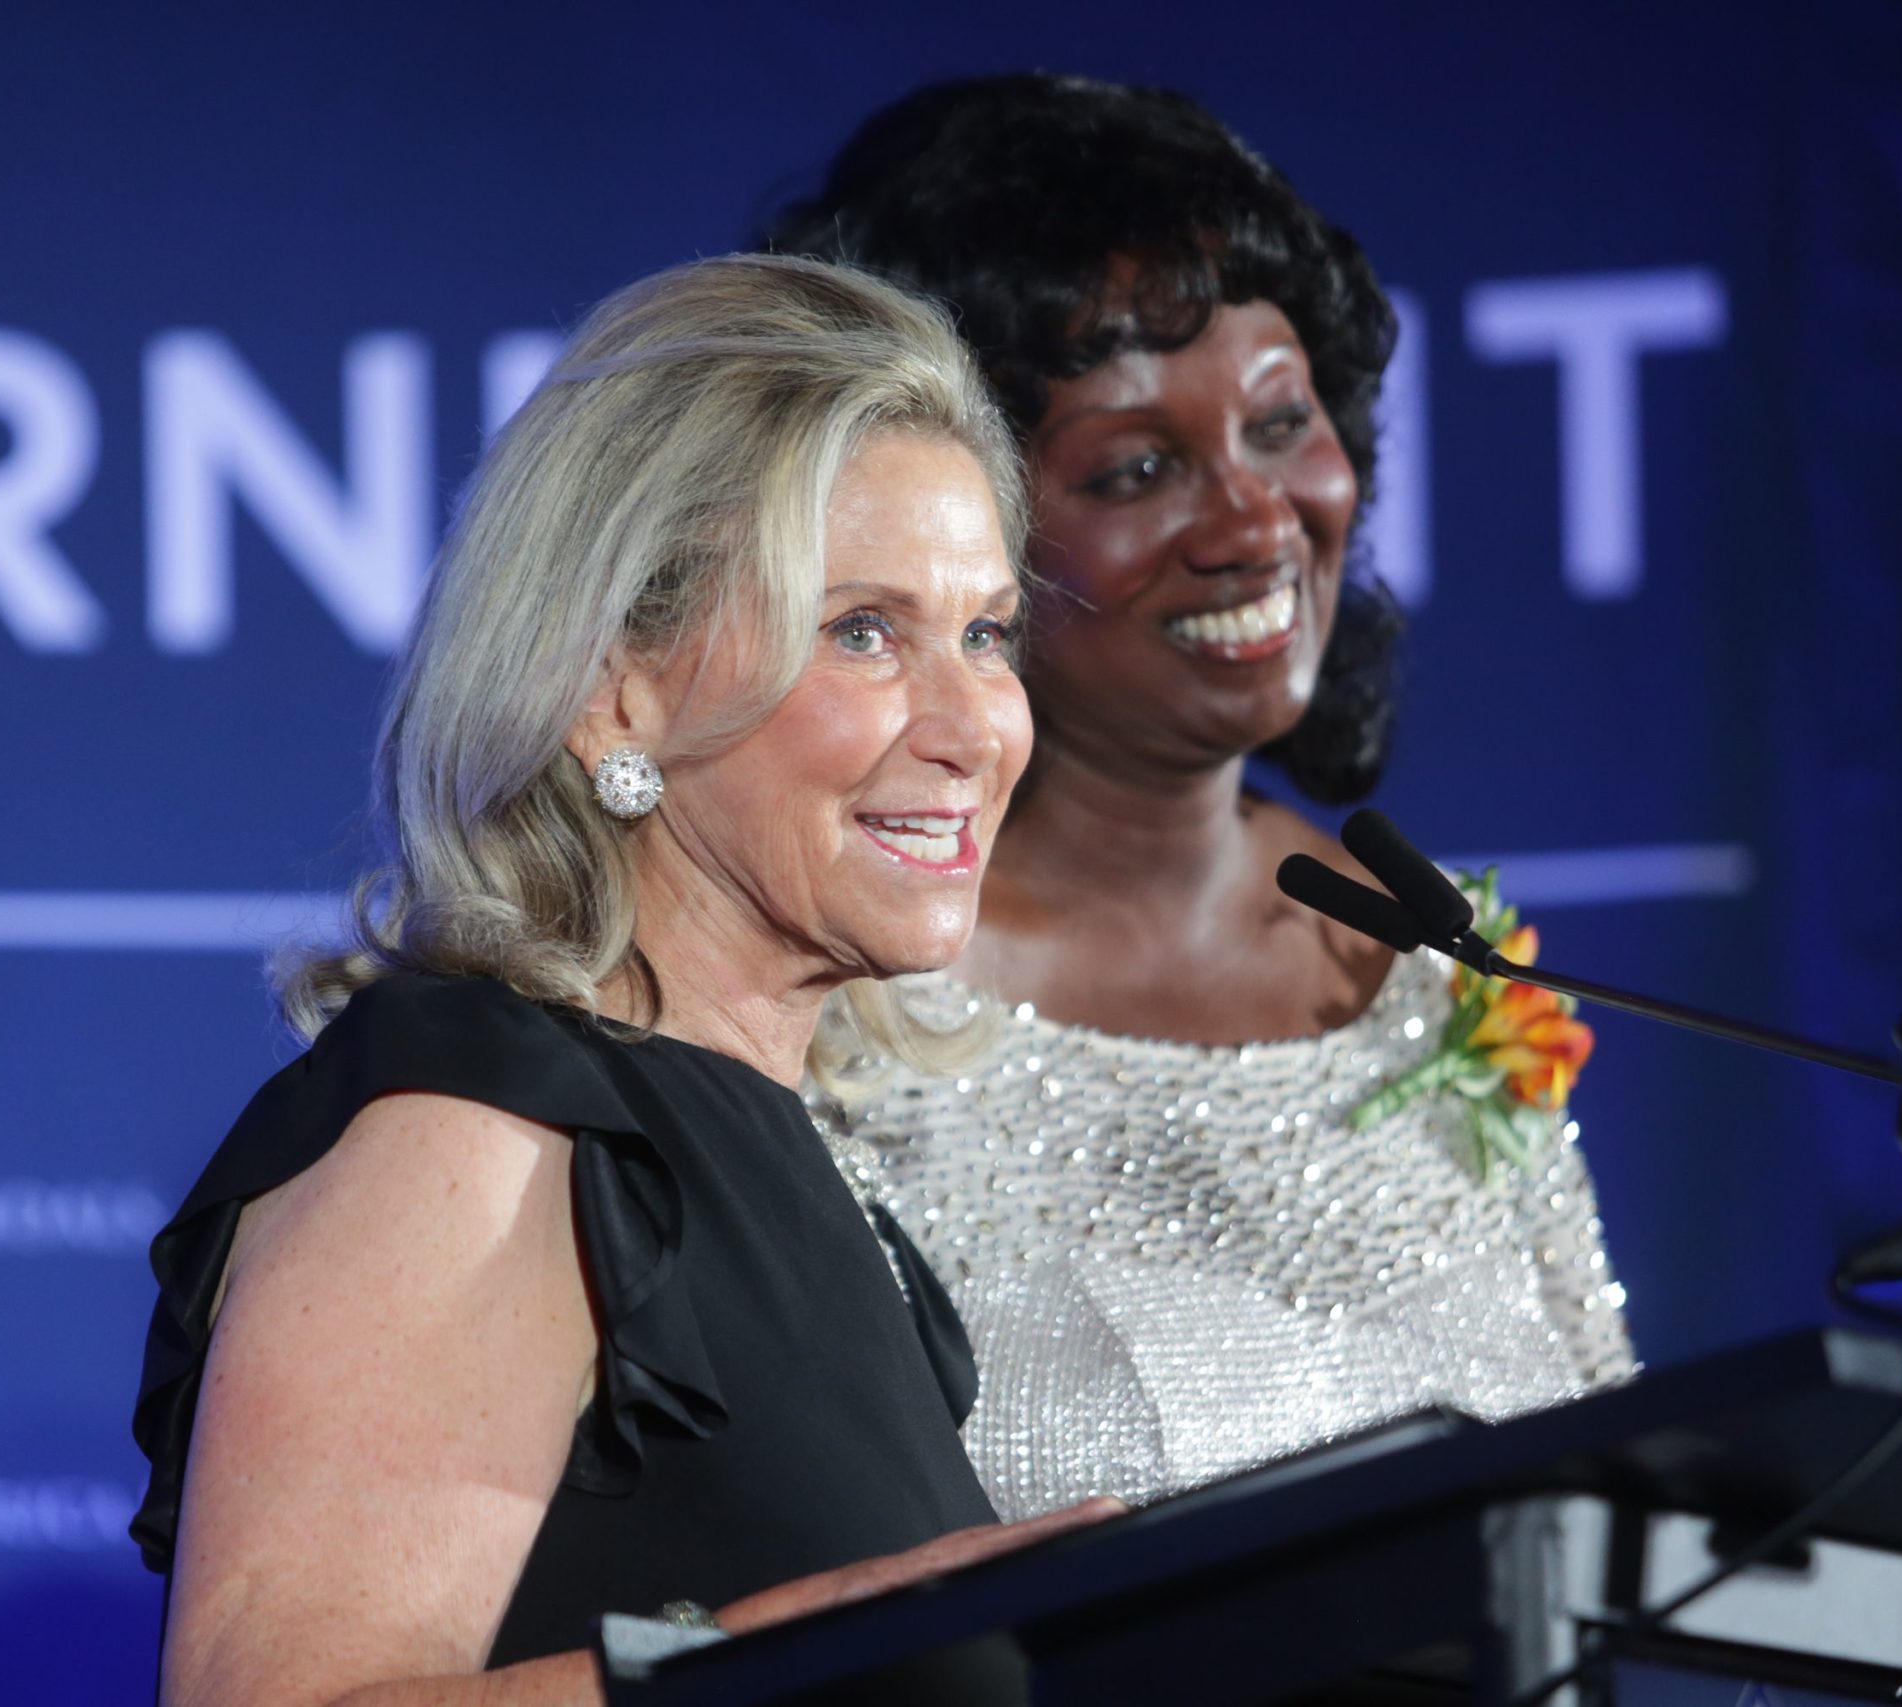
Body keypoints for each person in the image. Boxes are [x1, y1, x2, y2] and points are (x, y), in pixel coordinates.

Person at [128, 254, 1117, 1707]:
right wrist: (802, 1658)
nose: (975, 724)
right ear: (616, 694)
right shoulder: (483, 1128)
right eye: (863, 631)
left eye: (985, 634)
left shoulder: (814, 1189)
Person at [762, 75, 1634, 1520]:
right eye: (1140, 468)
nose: (1255, 521)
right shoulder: (829, 1005)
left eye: (1283, 423)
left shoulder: (1433, 968)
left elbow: (1608, 1489)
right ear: (950, 531)